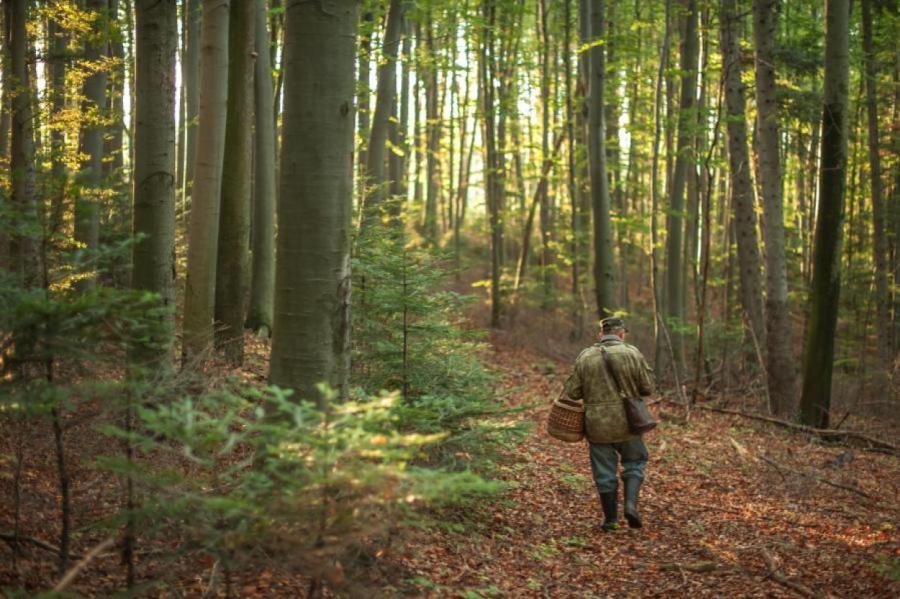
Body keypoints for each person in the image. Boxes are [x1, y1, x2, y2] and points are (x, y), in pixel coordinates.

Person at [563, 317, 655, 531]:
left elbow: (573, 392)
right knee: (634, 463)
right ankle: (631, 506)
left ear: (600, 334)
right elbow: (648, 387)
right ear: (622, 334)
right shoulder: (632, 353)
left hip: (597, 424)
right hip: (629, 422)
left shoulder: (585, 356)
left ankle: (611, 520)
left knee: (604, 472)